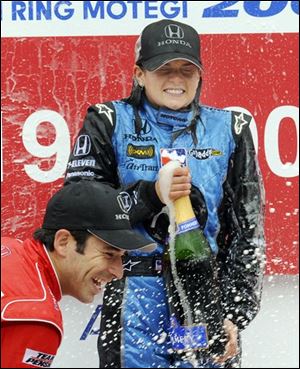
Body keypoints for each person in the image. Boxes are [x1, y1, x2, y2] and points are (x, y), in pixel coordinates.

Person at [64, 19, 266, 368]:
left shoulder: (230, 129)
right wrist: (149, 195)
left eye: (187, 69)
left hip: (202, 295)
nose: (176, 79)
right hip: (133, 290)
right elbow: (77, 210)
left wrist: (233, 313)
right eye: (163, 68)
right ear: (139, 74)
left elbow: (248, 232)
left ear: (200, 75)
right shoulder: (109, 121)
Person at [1, 181, 158, 368]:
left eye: (121, 258)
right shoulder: (37, 318)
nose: (118, 272)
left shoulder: (9, 248)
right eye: (109, 254)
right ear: (63, 242)